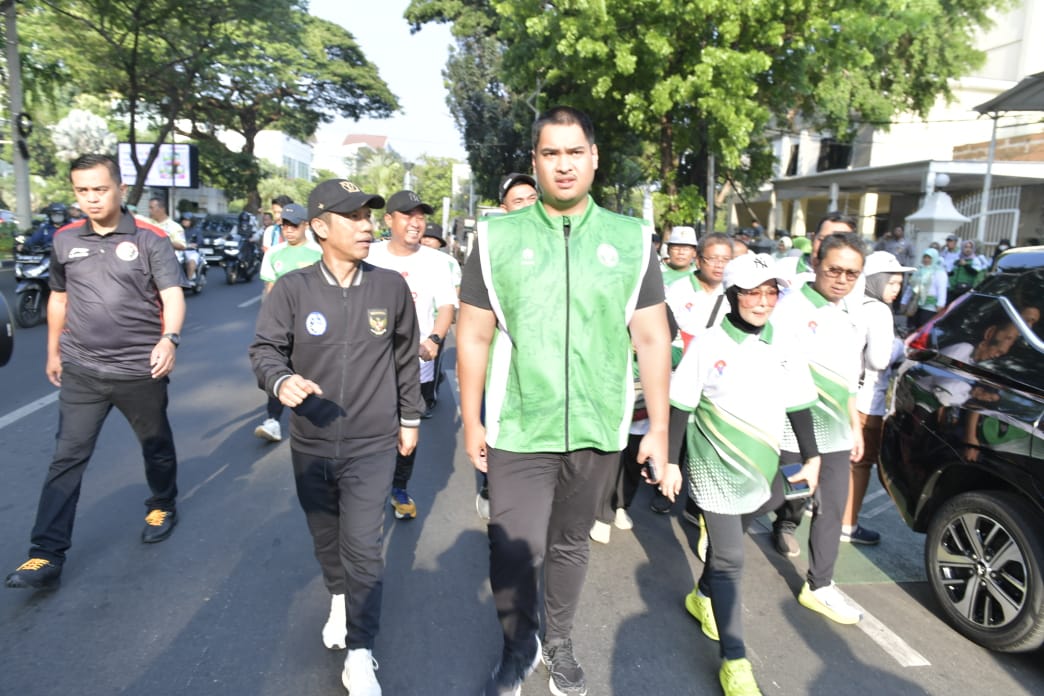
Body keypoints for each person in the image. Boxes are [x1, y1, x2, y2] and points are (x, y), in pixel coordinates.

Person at [457, 106, 673, 696]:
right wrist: (470, 419)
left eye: (574, 151)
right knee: (512, 546)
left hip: (599, 426)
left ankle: (559, 642)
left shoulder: (630, 240)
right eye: (550, 153)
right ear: (535, 161)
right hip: (519, 425)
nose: (563, 164)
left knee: (570, 544)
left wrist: (657, 427)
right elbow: (473, 334)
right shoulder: (497, 236)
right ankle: (516, 645)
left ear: (594, 157)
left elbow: (652, 336)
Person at [249, 179, 423, 696]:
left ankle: (361, 651)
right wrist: (282, 381)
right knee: (328, 542)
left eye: (369, 215)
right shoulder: (294, 289)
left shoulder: (389, 288)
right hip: (312, 440)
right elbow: (264, 350)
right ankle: (339, 596)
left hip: (372, 441)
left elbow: (406, 358)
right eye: (353, 217)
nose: (367, 225)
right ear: (321, 228)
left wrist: (409, 419)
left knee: (364, 546)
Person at [5, 153, 185, 591]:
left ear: (120, 189)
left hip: (139, 369)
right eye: (82, 190)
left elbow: (173, 294)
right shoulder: (65, 239)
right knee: (67, 458)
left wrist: (170, 338)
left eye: (99, 189)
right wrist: (53, 352)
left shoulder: (150, 238)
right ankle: (44, 554)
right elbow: (59, 299)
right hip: (83, 370)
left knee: (155, 444)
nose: (91, 198)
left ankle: (162, 502)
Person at [669, 253, 821, 696]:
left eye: (770, 291)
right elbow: (682, 404)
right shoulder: (709, 343)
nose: (762, 301)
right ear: (734, 296)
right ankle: (735, 662)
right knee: (732, 559)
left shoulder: (785, 341)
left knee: (759, 514)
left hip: (764, 464)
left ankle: (701, 595)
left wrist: (811, 458)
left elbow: (799, 402)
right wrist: (673, 463)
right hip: (713, 465)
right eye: (752, 292)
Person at [771, 232, 866, 625]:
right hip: (795, 429)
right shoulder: (788, 309)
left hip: (837, 433)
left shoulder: (848, 313)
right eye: (835, 269)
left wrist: (855, 426)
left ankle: (819, 585)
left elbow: (847, 379)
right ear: (815, 264)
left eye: (852, 273)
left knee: (830, 509)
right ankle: (717, 520)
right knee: (776, 495)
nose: (843, 279)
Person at [367, 190, 457, 521]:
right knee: (369, 425)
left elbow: (447, 306)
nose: (416, 222)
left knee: (407, 428)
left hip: (413, 361)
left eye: (420, 216)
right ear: (389, 220)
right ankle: (366, 485)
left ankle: (398, 486)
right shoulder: (369, 254)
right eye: (407, 215)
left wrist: (434, 339)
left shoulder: (435, 261)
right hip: (369, 362)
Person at [843, 252, 914, 546]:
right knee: (859, 463)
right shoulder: (880, 311)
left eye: (899, 282)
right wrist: (902, 348)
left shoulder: (850, 302)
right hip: (866, 400)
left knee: (840, 460)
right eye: (891, 281)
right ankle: (847, 524)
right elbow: (879, 359)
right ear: (875, 280)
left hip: (842, 394)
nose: (896, 287)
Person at [253, 203, 323, 443]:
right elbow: (270, 290)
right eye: (285, 225)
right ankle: (273, 420)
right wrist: (268, 323)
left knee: (312, 371)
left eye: (294, 225)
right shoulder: (274, 253)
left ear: (306, 226)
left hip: (314, 325)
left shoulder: (319, 252)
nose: (289, 230)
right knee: (280, 368)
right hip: (284, 325)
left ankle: (315, 421)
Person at [904, 248, 949, 328]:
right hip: (915, 304)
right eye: (925, 257)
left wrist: (941, 304)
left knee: (924, 327)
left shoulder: (939, 272)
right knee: (912, 327)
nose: (926, 260)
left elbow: (942, 290)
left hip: (930, 306)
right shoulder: (919, 270)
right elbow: (911, 286)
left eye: (929, 258)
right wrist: (904, 301)